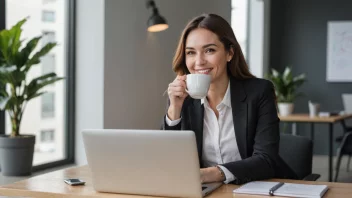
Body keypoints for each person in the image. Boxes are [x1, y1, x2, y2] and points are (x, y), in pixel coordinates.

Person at [162, 13, 297, 185]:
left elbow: (266, 160)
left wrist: (209, 174)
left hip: (259, 188)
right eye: (191, 52)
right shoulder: (183, 100)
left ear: (229, 53)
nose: (199, 61)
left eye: (209, 50)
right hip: (211, 191)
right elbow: (169, 162)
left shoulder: (259, 91)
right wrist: (174, 110)